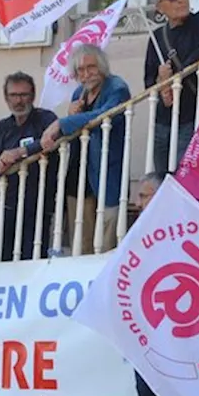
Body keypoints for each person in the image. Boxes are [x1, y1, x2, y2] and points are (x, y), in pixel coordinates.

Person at [120, 172, 181, 396]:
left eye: (147, 196)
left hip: (168, 351)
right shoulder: (141, 237)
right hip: (146, 349)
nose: (140, 203)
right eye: (139, 197)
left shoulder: (176, 237)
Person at [41, 44, 131, 255]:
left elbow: (103, 116)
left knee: (108, 239)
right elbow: (77, 127)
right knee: (81, 242)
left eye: (91, 67)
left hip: (107, 173)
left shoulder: (117, 87)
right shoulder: (78, 94)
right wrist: (71, 116)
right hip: (79, 175)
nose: (86, 74)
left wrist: (62, 123)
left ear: (102, 66)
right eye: (80, 70)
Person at [144, 0, 199, 174]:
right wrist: (161, 83)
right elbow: (148, 81)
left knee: (183, 180)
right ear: (160, 7)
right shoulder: (157, 37)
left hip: (191, 118)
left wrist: (173, 77)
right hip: (162, 123)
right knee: (161, 181)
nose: (181, 0)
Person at [0, 71, 58, 261]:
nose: (19, 101)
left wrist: (20, 152)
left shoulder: (45, 119)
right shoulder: (1, 127)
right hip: (9, 203)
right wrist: (1, 163)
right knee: (4, 257)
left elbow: (52, 139)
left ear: (33, 96)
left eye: (24, 95)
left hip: (40, 200)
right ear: (6, 98)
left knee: (33, 256)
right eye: (14, 95)